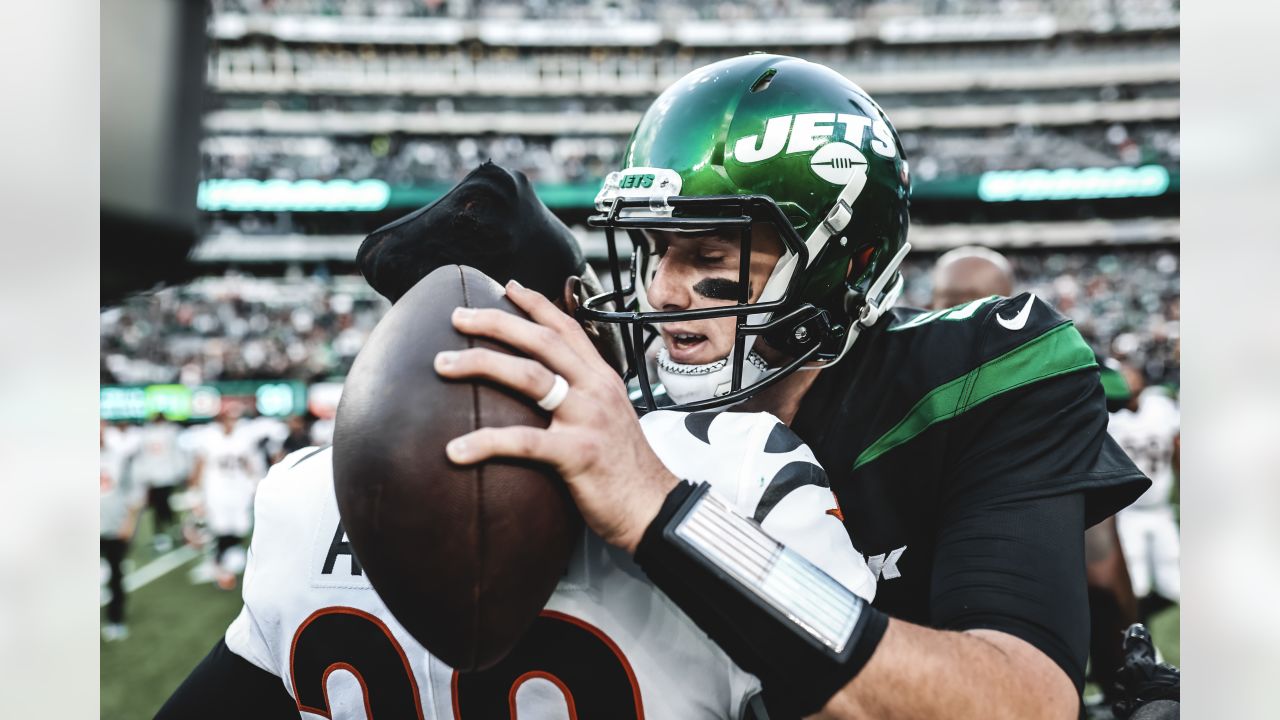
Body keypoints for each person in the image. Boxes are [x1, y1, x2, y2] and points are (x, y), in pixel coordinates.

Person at [434, 55, 1150, 718]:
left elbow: (1018, 701)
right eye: (653, 251)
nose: (661, 292)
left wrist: (664, 513)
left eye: (709, 253)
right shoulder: (627, 397)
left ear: (840, 265)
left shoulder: (979, 374)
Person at [159, 162, 872, 718]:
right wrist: (675, 519)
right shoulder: (732, 464)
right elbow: (878, 686)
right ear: (564, 311)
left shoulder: (300, 493)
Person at [929, 246, 1144, 709]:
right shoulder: (1051, 386)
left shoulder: (881, 381)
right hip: (1018, 662)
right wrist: (1124, 671)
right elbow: (1100, 564)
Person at [1108, 361, 1181, 622]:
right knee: (1134, 583)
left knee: (1174, 585)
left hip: (1161, 509)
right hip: (1128, 511)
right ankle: (1136, 632)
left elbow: (1176, 444)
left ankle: (1141, 622)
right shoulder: (1110, 415)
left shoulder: (1161, 406)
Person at [187, 405, 266, 590]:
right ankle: (221, 565)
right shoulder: (209, 436)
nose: (231, 421)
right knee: (220, 528)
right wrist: (194, 492)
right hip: (216, 490)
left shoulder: (244, 436)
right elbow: (199, 464)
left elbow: (250, 463)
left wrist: (256, 484)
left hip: (238, 490)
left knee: (239, 527)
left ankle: (228, 561)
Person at [100, 419, 143, 641]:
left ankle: (115, 620)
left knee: (116, 575)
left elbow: (135, 492)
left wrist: (129, 522)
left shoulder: (119, 457)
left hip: (114, 527)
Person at [128, 413, 190, 552]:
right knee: (159, 507)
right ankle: (164, 532)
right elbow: (142, 457)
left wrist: (180, 472)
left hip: (167, 476)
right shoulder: (146, 434)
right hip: (153, 478)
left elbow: (178, 454)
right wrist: (142, 475)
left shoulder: (171, 432)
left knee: (163, 505)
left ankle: (171, 529)